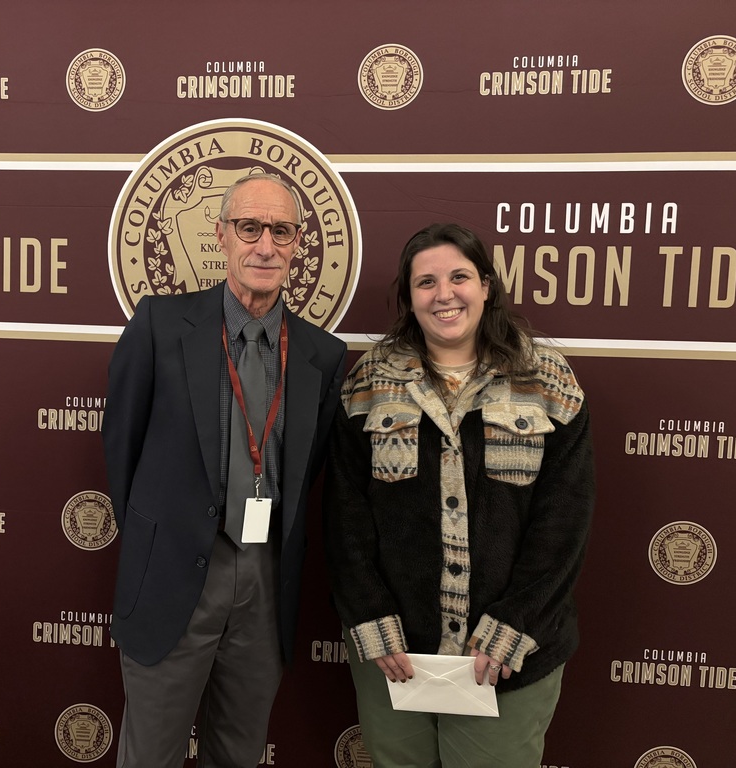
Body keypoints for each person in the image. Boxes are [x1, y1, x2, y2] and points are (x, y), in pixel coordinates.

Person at [323, 222, 594, 768]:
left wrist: (513, 624)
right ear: (409, 297)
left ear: (487, 286)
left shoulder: (547, 379)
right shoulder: (368, 381)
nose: (444, 294)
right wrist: (373, 620)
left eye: (459, 277)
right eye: (426, 282)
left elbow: (563, 521)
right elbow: (344, 515)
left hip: (509, 659)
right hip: (395, 656)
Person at [102, 173, 347, 768]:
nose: (266, 245)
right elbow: (122, 453)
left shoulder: (323, 354)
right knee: (149, 757)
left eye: (281, 232)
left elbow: (307, 475)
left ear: (296, 245)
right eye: (250, 228)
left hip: (264, 584)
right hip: (174, 575)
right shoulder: (161, 325)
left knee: (237, 755)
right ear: (221, 235)